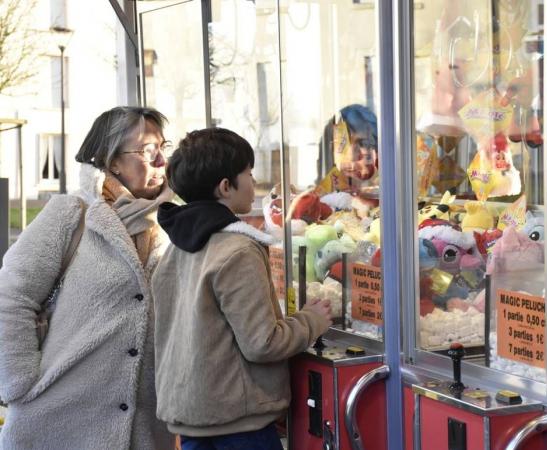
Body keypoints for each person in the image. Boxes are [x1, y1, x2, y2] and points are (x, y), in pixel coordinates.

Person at [0, 106, 175, 449]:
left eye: (163, 148)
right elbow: (11, 296)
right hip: (56, 422)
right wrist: (20, 384)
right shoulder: (71, 214)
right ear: (112, 162)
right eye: (147, 151)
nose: (160, 162)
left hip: (143, 432)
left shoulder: (169, 225)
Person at [152, 127, 332, 450]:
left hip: (193, 420)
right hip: (239, 426)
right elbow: (263, 343)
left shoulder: (176, 249)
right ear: (225, 187)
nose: (253, 182)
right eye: (248, 173)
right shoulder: (238, 250)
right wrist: (311, 320)